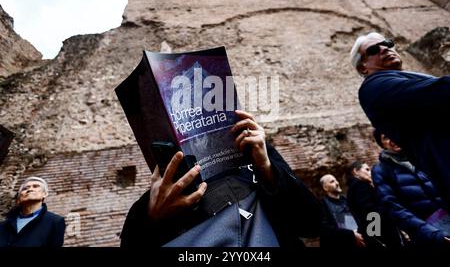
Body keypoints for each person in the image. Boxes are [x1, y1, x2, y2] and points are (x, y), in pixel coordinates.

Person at [120, 110, 321, 247]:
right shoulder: (150, 205)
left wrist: (266, 167)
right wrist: (153, 216)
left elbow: (312, 224)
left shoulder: (257, 154)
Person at [350, 32, 450, 207]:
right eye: (373, 49)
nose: (384, 48)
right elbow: (441, 92)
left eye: (388, 43)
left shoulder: (400, 78)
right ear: (363, 67)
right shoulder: (374, 86)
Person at [371, 129, 450, 247]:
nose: (392, 139)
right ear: (382, 144)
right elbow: (394, 208)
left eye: (392, 134)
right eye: (385, 138)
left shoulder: (421, 157)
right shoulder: (381, 170)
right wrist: (432, 234)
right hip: (430, 235)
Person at [346, 161, 403, 248]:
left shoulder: (354, 188)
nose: (370, 172)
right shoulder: (360, 185)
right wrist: (380, 238)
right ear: (356, 172)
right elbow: (370, 212)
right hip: (384, 235)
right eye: (367, 169)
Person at [0, 176, 66, 247]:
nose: (30, 189)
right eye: (25, 188)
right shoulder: (4, 225)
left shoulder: (55, 222)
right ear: (19, 198)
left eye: (35, 186)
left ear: (45, 194)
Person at [319, 174, 366, 248]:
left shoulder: (347, 200)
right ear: (325, 188)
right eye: (332, 181)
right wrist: (351, 234)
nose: (337, 183)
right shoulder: (323, 204)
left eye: (336, 180)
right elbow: (326, 229)